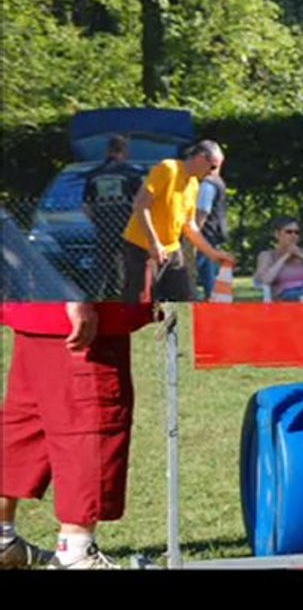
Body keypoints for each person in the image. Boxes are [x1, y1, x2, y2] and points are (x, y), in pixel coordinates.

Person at [0, 301, 154, 569]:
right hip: (77, 308)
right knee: (90, 420)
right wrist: (75, 297)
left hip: (34, 303)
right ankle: (75, 554)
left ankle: (3, 540)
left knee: (24, 423)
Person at [120, 140, 235, 302]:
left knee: (185, 297)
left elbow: (190, 226)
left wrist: (213, 254)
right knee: (140, 299)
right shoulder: (168, 169)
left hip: (172, 249)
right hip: (141, 247)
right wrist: (154, 243)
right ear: (201, 158)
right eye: (213, 167)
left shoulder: (194, 184)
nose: (213, 174)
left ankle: (179, 327)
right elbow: (140, 205)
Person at [82, 135, 143, 299]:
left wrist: (97, 221)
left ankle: (95, 296)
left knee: (101, 265)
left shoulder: (94, 175)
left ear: (107, 151)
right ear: (124, 151)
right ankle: (129, 296)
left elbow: (86, 206)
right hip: (126, 225)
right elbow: (140, 202)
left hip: (104, 226)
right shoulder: (131, 173)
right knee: (130, 263)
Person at [254, 216, 303, 301]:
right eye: (289, 232)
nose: (293, 235)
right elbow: (264, 280)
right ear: (277, 234)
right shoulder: (267, 255)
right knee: (300, 296)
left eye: (296, 232)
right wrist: (285, 256)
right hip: (286, 295)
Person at [195, 164, 229, 300]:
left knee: (187, 272)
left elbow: (203, 211)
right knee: (209, 276)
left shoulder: (207, 185)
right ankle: (216, 304)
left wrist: (194, 233)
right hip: (213, 234)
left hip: (204, 234)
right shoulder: (217, 182)